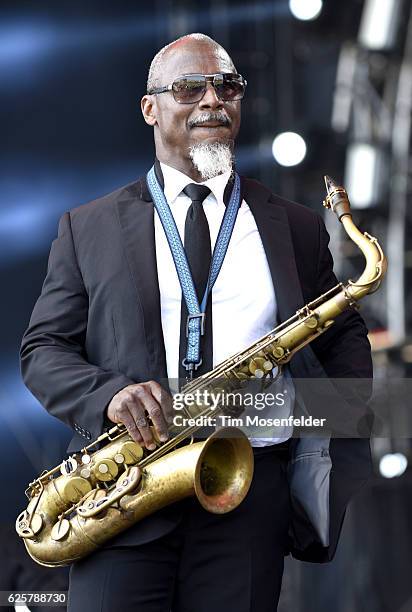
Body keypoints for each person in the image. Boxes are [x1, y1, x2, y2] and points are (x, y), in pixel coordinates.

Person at [20, 33, 373, 612]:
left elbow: (346, 353)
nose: (214, 99)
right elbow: (43, 350)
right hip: (126, 492)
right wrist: (109, 397)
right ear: (150, 108)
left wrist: (305, 449)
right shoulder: (87, 227)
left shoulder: (300, 227)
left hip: (248, 496)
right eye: (190, 87)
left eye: (227, 85)